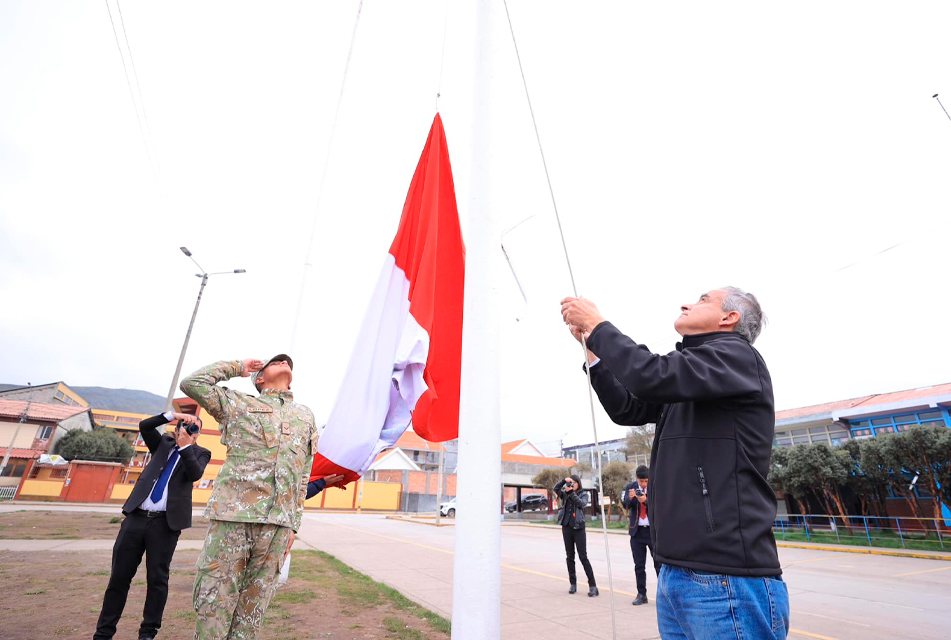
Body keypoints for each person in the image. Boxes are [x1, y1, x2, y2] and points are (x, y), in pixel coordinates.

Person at [561, 288, 789, 639]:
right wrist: (594, 350)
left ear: (730, 318)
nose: (686, 304)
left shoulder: (736, 358)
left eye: (702, 300)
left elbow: (652, 374)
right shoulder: (694, 376)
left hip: (725, 577)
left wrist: (598, 324)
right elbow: (629, 407)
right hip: (676, 572)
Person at [181, 354, 318, 640]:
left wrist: (294, 525)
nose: (283, 362)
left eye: (287, 362)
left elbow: (303, 474)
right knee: (215, 600)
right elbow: (192, 383)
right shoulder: (238, 403)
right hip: (234, 517)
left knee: (253, 607)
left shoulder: (305, 416)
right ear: (259, 378)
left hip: (277, 526)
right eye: (274, 361)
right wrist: (237, 367)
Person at [93, 411, 211, 640]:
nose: (189, 432)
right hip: (136, 518)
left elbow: (195, 474)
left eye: (194, 429)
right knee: (118, 578)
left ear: (198, 435)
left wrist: (186, 447)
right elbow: (145, 426)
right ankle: (104, 633)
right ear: (176, 429)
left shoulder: (200, 453)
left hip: (165, 525)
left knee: (157, 580)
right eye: (185, 427)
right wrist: (172, 415)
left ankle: (148, 633)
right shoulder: (163, 444)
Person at [553, 474, 599, 597]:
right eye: (570, 483)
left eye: (574, 483)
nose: (571, 485)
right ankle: (573, 583)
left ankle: (593, 585)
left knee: (583, 557)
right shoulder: (564, 493)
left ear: (578, 483)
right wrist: (563, 481)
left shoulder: (583, 494)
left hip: (578, 528)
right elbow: (555, 489)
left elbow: (581, 504)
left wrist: (572, 492)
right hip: (566, 527)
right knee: (569, 556)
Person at [621, 465, 660, 606]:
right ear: (637, 479)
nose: (644, 484)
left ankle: (663, 596)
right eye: (642, 481)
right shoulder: (630, 487)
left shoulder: (655, 485)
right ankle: (641, 594)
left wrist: (646, 501)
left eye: (646, 481)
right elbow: (625, 504)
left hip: (652, 532)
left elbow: (659, 505)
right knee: (639, 566)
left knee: (659, 565)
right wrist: (631, 498)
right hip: (637, 531)